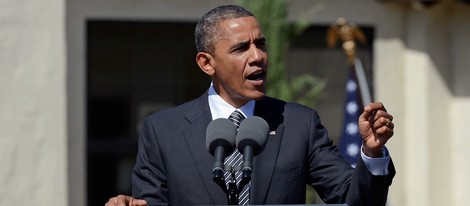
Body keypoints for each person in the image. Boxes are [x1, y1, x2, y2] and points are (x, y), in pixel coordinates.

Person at [105, 4, 395, 206]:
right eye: (241, 48)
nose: (258, 57)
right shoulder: (163, 131)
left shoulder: (297, 124)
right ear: (207, 63)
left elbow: (353, 198)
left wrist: (371, 152)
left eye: (261, 44)